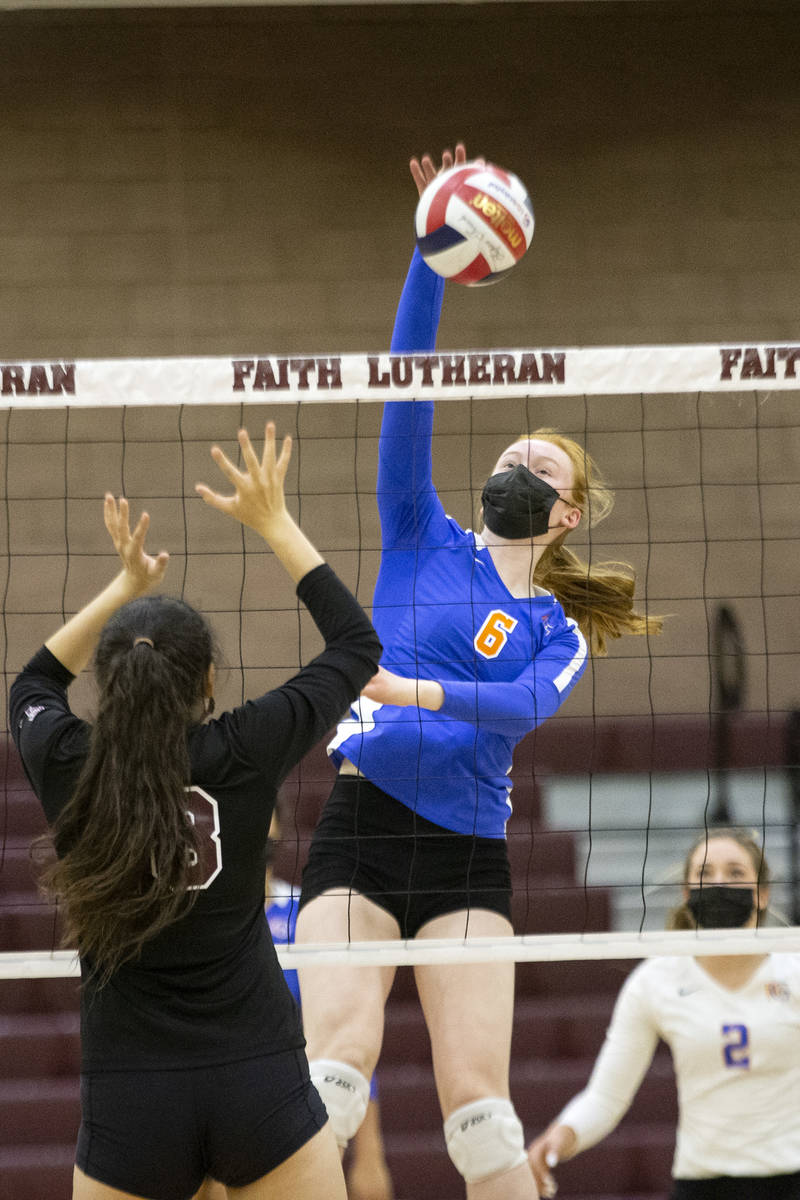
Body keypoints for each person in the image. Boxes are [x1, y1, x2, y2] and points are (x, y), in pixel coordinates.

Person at [295, 144, 662, 1200]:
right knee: (330, 1079)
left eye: (538, 468)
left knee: (479, 1120)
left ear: (565, 514)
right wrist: (428, 254)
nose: (514, 469)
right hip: (359, 824)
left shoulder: (555, 624)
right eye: (507, 455)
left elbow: (515, 711)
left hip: (464, 858)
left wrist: (407, 690)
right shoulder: (417, 529)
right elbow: (405, 393)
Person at [9, 423, 382, 1200]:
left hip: (130, 1099)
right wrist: (274, 520)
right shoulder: (245, 751)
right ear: (208, 679)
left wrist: (124, 589)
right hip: (259, 1083)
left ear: (109, 682)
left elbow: (32, 686)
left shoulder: (70, 763)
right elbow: (355, 644)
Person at [527, 828, 800, 1200]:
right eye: (705, 874)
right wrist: (563, 1133)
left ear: (763, 893)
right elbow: (606, 1097)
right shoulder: (657, 980)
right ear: (687, 894)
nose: (719, 883)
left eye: (735, 873)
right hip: (702, 1183)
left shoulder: (793, 969)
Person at [193, 816, 394, 1200]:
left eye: (263, 844)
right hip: (219, 1102)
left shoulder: (308, 914)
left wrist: (370, 1154)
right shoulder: (203, 922)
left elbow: (347, 1035)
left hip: (296, 1102)